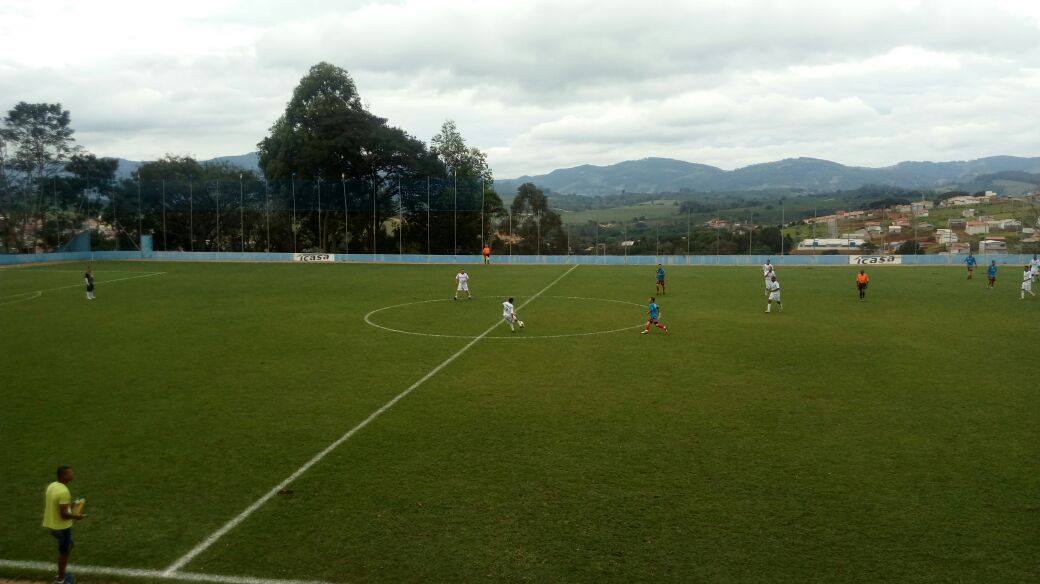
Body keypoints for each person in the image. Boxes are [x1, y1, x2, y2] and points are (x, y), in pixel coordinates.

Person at [43, 466, 86, 584]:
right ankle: (61, 579)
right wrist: (77, 516)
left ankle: (61, 572)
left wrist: (72, 506)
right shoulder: (64, 491)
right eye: (69, 473)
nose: (72, 474)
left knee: (69, 545)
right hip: (61, 527)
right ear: (63, 476)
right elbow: (64, 515)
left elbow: (57, 505)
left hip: (52, 524)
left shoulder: (52, 486)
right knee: (65, 552)